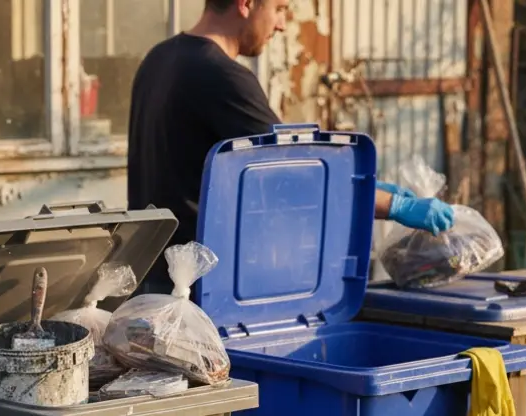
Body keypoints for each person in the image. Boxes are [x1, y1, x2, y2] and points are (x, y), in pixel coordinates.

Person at [127, 0, 455, 294]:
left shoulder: (159, 59)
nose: (282, 25)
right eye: (280, 9)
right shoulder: (221, 75)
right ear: (246, 4)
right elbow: (302, 173)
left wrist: (372, 189)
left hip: (152, 277)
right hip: (201, 286)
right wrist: (393, 205)